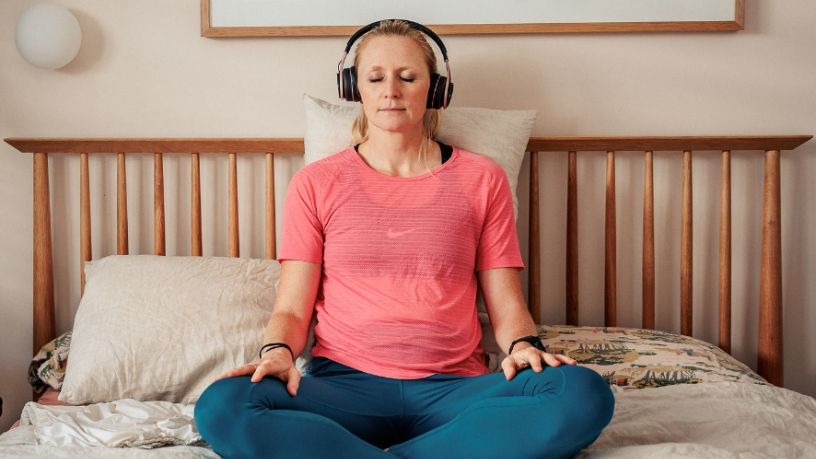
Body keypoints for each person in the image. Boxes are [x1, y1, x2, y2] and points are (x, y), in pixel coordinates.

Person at [195, 19, 614, 459]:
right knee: (223, 405)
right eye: (375, 78)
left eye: (407, 77)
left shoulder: (482, 179)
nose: (390, 90)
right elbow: (291, 308)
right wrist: (277, 351)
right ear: (354, 88)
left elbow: (506, 304)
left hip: (455, 390)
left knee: (582, 392)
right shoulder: (314, 184)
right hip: (343, 389)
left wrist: (525, 346)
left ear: (435, 90)